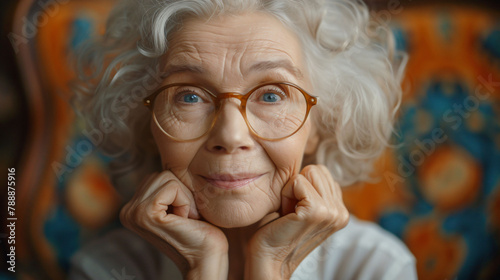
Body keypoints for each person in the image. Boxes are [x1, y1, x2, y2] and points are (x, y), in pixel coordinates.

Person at [69, 0, 416, 279]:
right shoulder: (104, 269)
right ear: (149, 126)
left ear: (320, 125)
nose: (230, 136)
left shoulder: (375, 268)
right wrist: (199, 269)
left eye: (271, 95)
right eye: (189, 96)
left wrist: (273, 267)